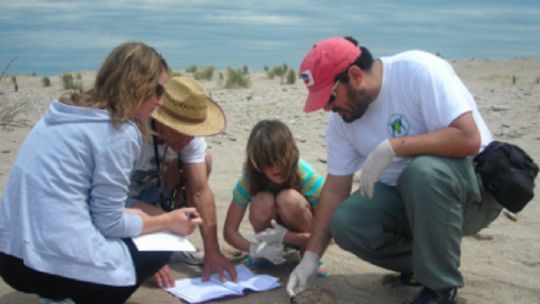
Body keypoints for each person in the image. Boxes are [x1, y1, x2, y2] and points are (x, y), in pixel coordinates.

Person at [286, 37, 502, 304]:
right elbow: (334, 189)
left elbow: (469, 139)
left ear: (354, 75)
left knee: (422, 172)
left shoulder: (417, 71)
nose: (329, 109)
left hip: (473, 194)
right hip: (411, 203)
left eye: (330, 98)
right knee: (346, 222)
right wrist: (310, 257)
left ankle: (440, 289)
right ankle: (422, 266)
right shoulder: (342, 120)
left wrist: (395, 147)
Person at [0, 42, 202, 304]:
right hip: (46, 266)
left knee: (140, 223)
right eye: (158, 90)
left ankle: (58, 296)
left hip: (9, 256)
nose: (161, 101)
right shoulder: (118, 129)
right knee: (161, 246)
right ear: (138, 84)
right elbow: (110, 223)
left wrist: (149, 216)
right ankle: (74, 296)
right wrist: (167, 221)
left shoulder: (61, 114)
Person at [127, 76, 237, 286]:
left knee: (203, 160)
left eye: (192, 134)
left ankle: (171, 243)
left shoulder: (189, 137)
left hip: (155, 193)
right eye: (180, 132)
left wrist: (212, 251)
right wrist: (151, 256)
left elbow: (200, 192)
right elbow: (110, 204)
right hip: (121, 201)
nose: (187, 140)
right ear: (160, 119)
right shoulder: (131, 133)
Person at [223, 119, 325, 271]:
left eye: (282, 159)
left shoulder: (308, 176)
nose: (277, 167)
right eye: (268, 163)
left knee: (289, 199)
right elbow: (229, 231)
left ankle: (309, 254)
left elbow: (328, 234)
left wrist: (286, 237)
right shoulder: (249, 180)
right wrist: (254, 249)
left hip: (306, 238)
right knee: (262, 201)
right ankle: (267, 254)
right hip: (268, 239)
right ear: (256, 163)